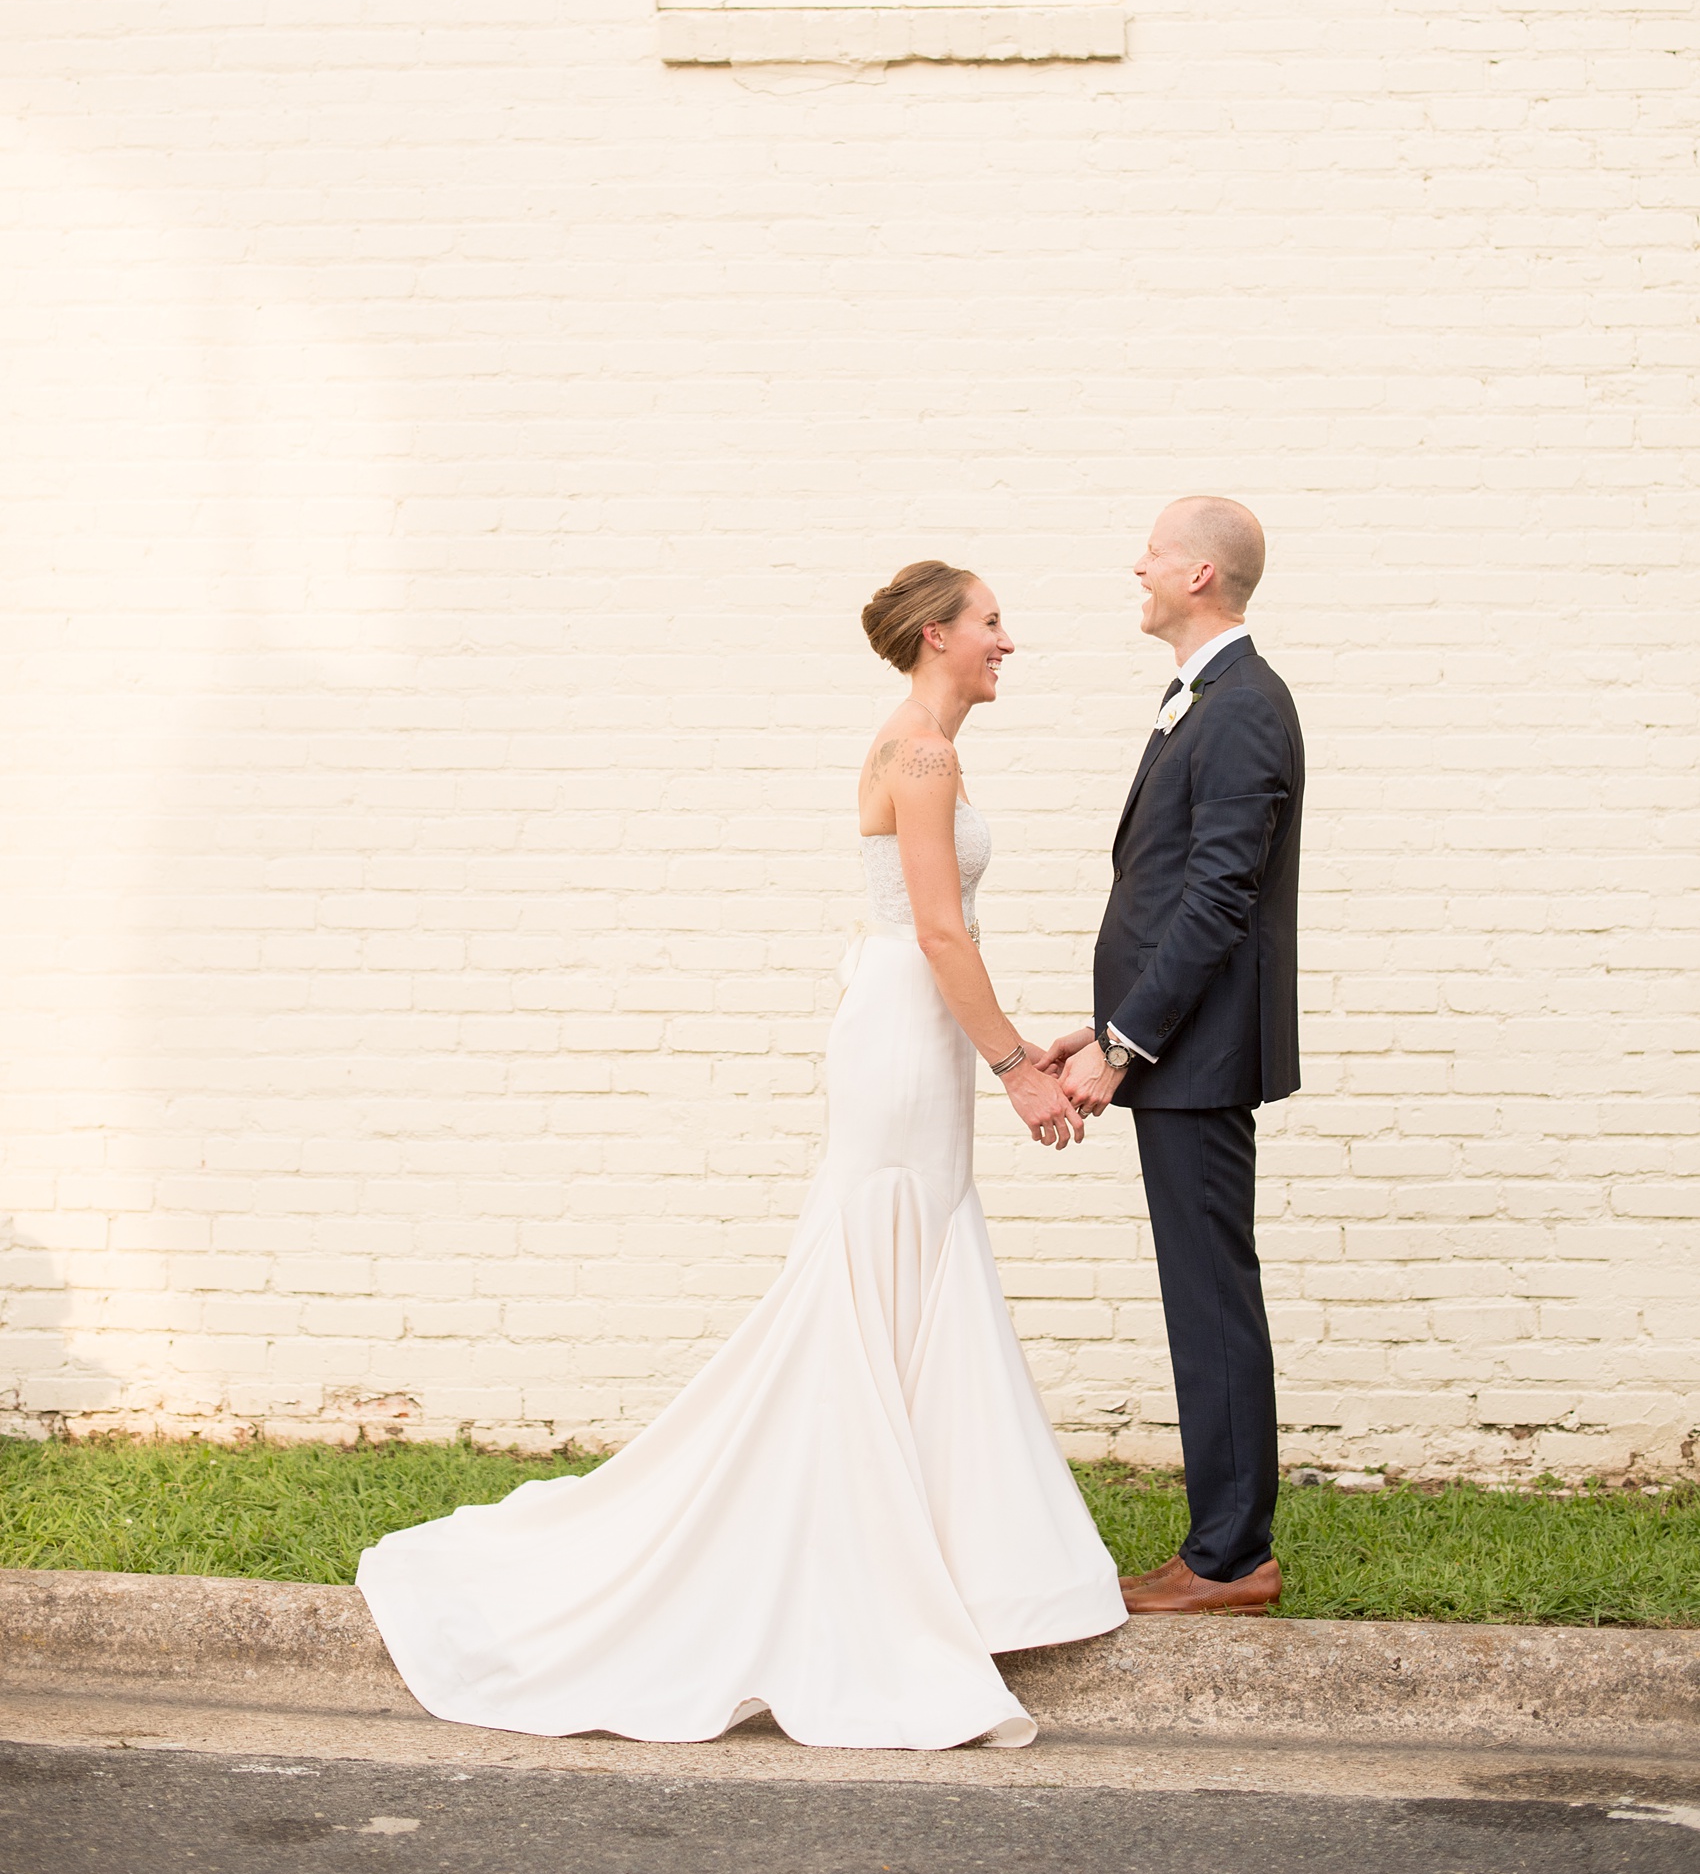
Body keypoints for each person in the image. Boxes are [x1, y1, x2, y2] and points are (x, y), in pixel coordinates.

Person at [357, 562, 1125, 1751]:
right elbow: (932, 927)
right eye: (989, 623)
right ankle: (855, 1559)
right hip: (905, 1029)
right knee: (868, 1277)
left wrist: (1011, 1043)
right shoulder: (919, 754)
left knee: (910, 1271)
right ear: (936, 636)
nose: (1006, 641)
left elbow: (938, 931)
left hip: (914, 1027)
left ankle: (930, 1550)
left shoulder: (926, 746)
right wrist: (1018, 1065)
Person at [1042, 498, 1304, 1618]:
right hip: (1168, 1047)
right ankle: (1219, 1543)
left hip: (1190, 1054)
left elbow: (1213, 897)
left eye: (1150, 552)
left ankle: (1230, 1557)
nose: (1134, 567)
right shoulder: (1201, 696)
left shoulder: (1241, 704)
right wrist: (1097, 1029)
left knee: (1208, 1296)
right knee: (1201, 1291)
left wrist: (1126, 1042)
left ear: (1198, 573)